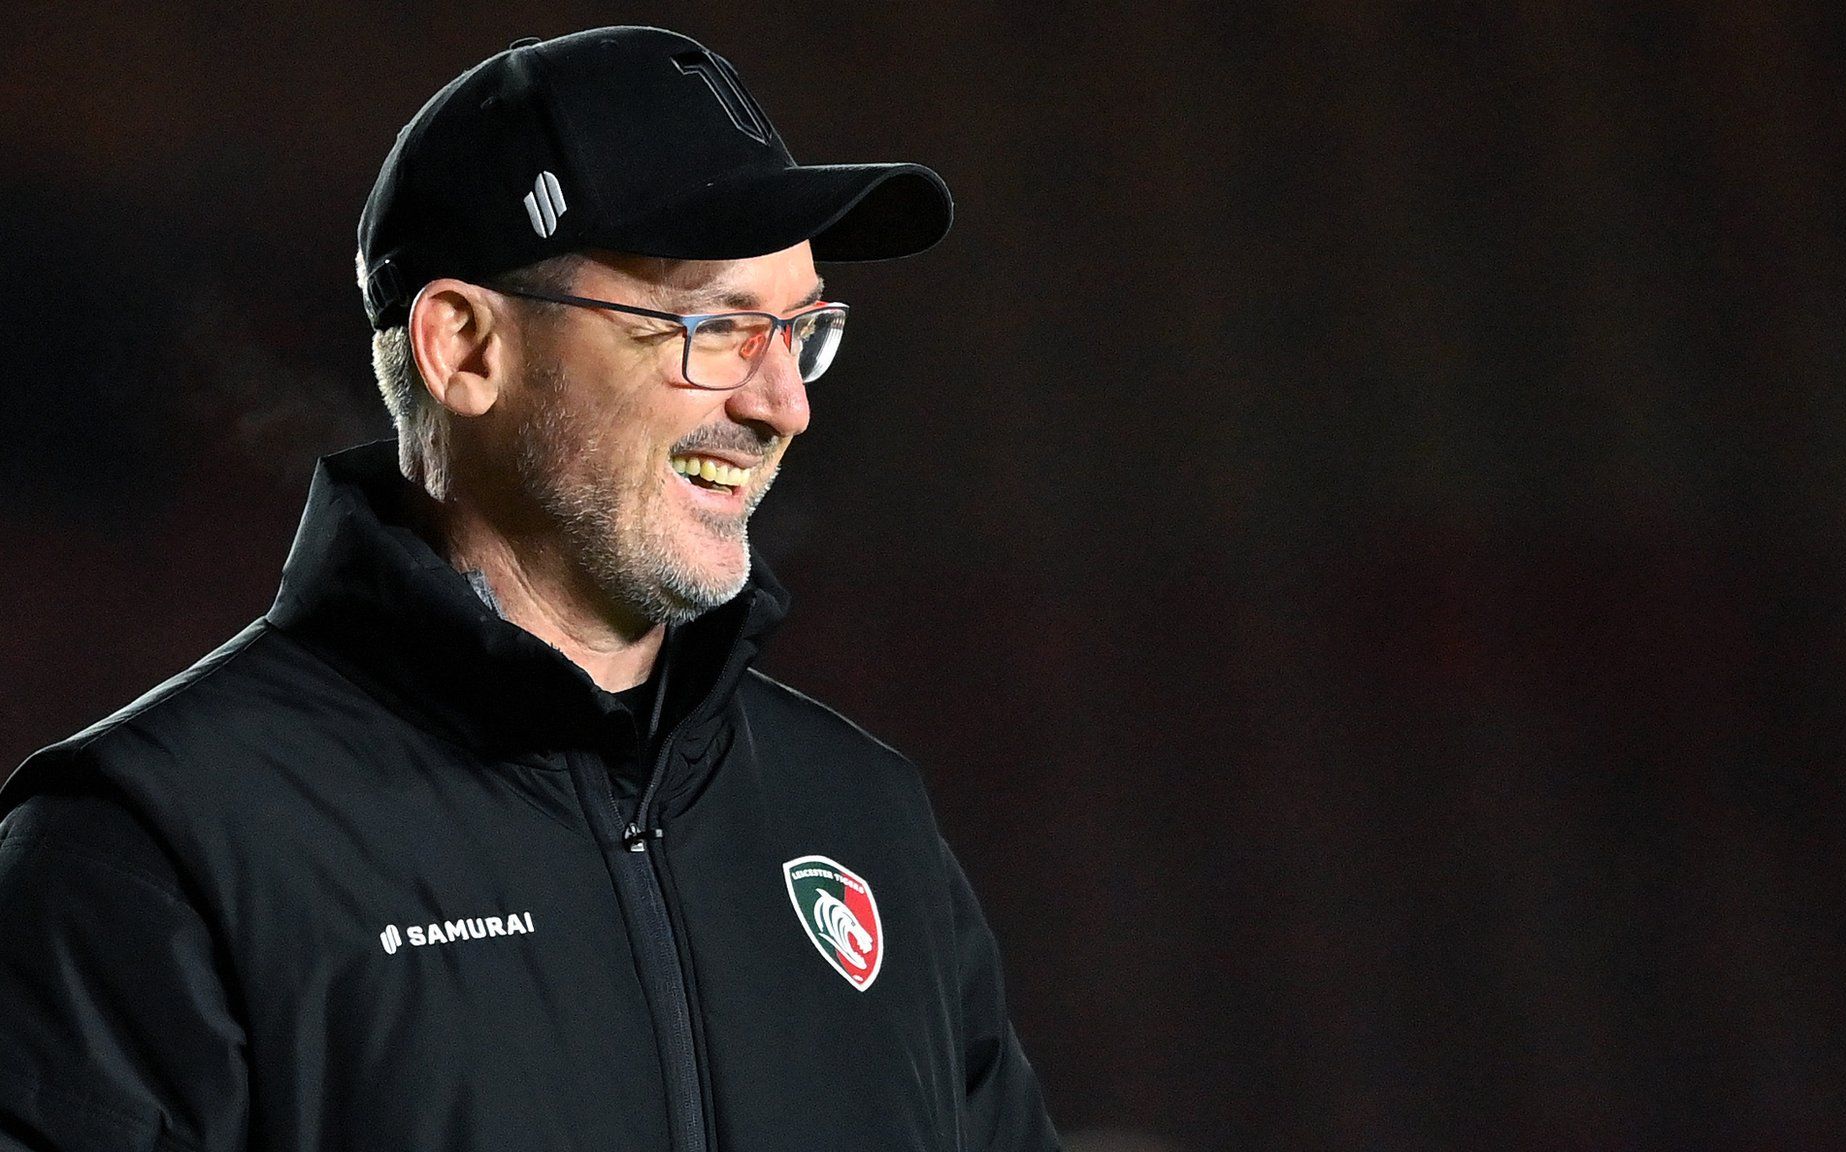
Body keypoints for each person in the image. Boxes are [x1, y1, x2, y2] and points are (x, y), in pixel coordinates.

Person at [0, 26, 1059, 1152]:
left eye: (799, 331)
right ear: (463, 348)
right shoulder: (156, 849)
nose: (782, 404)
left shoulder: (863, 819)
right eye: (713, 328)